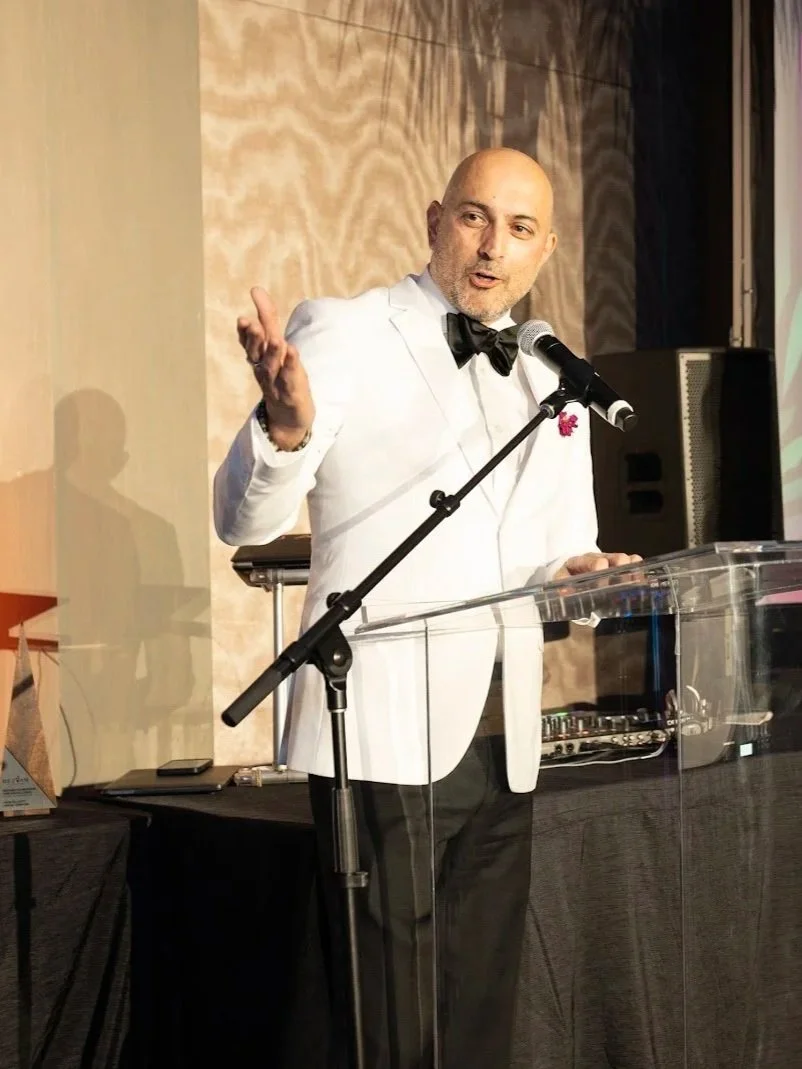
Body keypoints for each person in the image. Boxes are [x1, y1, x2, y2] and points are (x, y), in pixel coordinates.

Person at [214, 147, 640, 1069]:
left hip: (501, 736)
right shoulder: (347, 332)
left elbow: (551, 556)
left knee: (479, 1007)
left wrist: (589, 576)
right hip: (380, 726)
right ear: (433, 218)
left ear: (548, 247)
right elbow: (239, 516)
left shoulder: (549, 375)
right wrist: (282, 432)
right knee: (387, 1016)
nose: (493, 247)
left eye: (520, 228)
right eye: (475, 216)